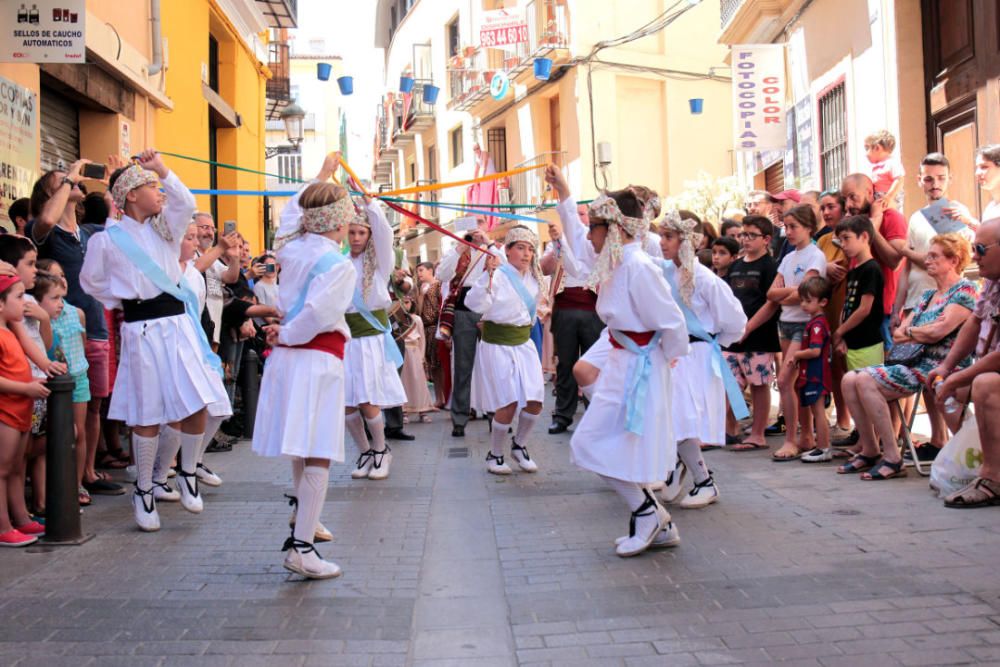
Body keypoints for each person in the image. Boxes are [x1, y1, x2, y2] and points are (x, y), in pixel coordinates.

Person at [545, 165, 689, 558]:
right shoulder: (614, 261)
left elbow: (672, 322)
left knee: (591, 443)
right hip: (626, 363)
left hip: (637, 367)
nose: (588, 234)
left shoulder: (638, 266)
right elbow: (577, 243)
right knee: (607, 445)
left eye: (594, 227)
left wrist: (668, 361)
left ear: (614, 228)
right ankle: (656, 519)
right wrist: (563, 193)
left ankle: (647, 514)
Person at [80, 150, 228, 531]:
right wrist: (124, 299)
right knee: (146, 413)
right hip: (141, 327)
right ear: (130, 195)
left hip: (176, 324)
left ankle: (187, 472)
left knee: (196, 400)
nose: (159, 191)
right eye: (151, 186)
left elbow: (187, 202)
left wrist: (159, 167)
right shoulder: (107, 239)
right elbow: (92, 282)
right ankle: (144, 489)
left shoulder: (166, 227)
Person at [252, 153, 355, 578]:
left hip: (290, 358)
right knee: (319, 451)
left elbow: (292, 212)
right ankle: (302, 547)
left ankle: (303, 523)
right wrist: (288, 332)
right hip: (314, 358)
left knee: (302, 445)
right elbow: (317, 314)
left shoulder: (289, 249)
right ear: (337, 221)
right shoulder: (338, 264)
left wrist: (320, 176)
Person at [27, 160, 125, 499]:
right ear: (49, 193)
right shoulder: (44, 230)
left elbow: (120, 229)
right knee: (65, 412)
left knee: (94, 405)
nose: (74, 181)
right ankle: (64, 484)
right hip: (61, 333)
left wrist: (115, 181)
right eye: (62, 181)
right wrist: (69, 177)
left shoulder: (86, 233)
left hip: (95, 326)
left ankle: (86, 473)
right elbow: (47, 219)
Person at [842, 234, 976, 479]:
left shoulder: (965, 290)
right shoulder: (926, 296)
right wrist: (923, 331)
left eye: (935, 256)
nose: (928, 260)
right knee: (849, 379)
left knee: (864, 380)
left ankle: (892, 458)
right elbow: (899, 332)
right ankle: (871, 449)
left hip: (946, 366)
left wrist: (917, 331)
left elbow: (938, 332)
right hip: (916, 364)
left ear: (954, 260)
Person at [657, 212, 746, 509]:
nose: (662, 242)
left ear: (686, 241)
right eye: (662, 236)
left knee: (682, 417)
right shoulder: (665, 272)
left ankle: (704, 482)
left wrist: (713, 344)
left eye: (669, 237)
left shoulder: (705, 278)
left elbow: (734, 319)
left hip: (696, 356)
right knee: (673, 416)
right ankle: (675, 472)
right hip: (676, 354)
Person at [342, 179, 407, 481]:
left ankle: (382, 450)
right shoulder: (340, 264)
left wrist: (370, 204)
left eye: (361, 232)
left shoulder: (380, 263)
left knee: (368, 399)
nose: (356, 237)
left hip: (369, 338)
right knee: (346, 403)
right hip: (345, 339)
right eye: (352, 232)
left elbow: (383, 233)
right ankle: (365, 450)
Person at [466, 226, 545, 474]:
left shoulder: (534, 278)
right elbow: (474, 303)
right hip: (498, 345)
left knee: (535, 401)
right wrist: (487, 277)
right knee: (508, 403)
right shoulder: (497, 275)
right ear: (508, 250)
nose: (526, 254)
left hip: (524, 344)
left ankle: (519, 445)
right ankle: (495, 454)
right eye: (520, 248)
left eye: (530, 249)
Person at [767, 205, 827, 461]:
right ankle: (805, 436)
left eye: (794, 227)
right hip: (787, 322)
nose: (788, 232)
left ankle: (791, 438)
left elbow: (803, 294)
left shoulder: (815, 256)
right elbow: (772, 294)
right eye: (786, 227)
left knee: (783, 381)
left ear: (809, 228)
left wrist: (788, 293)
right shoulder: (788, 258)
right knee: (796, 383)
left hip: (804, 325)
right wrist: (788, 292)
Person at [540, 207, 603, 434]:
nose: (578, 218)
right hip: (565, 309)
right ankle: (563, 416)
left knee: (593, 365)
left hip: (592, 309)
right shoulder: (558, 240)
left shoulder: (595, 242)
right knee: (565, 364)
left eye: (583, 214)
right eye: (574, 213)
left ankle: (595, 415)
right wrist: (557, 242)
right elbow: (545, 268)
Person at [0, 273, 49, 546]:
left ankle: (20, 518)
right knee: (2, 469)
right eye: (18, 297)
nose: (24, 303)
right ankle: (3, 526)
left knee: (17, 468)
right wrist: (26, 388)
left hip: (20, 409)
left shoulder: (11, 329)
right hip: (6, 411)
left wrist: (32, 382)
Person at [724, 216, 780, 451]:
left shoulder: (769, 266)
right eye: (742, 235)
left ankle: (758, 432)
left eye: (751, 235)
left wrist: (749, 327)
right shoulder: (736, 265)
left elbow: (771, 303)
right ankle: (730, 428)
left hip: (759, 335)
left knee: (758, 384)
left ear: (766, 239)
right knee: (730, 382)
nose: (745, 240)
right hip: (733, 336)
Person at [437, 227, 498, 437]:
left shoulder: (492, 250)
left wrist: (488, 243)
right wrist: (460, 247)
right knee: (462, 366)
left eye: (480, 225)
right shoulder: (457, 251)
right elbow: (441, 274)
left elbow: (505, 269)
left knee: (492, 366)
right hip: (463, 309)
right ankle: (459, 419)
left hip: (488, 310)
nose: (476, 231)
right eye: (473, 227)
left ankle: (496, 418)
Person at [841, 174, 908, 348]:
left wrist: (870, 228)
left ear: (869, 192)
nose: (848, 205)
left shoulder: (891, 217)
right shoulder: (852, 222)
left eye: (853, 197)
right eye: (844, 199)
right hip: (856, 313)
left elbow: (895, 262)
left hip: (884, 313)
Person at [815, 191, 852, 444]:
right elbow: (821, 275)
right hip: (827, 311)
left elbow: (840, 271)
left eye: (831, 207)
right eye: (823, 208)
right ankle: (842, 420)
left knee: (851, 366)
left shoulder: (848, 238)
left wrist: (827, 269)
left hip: (847, 309)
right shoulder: (823, 241)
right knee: (835, 369)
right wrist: (824, 268)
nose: (827, 213)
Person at [787, 277, 833, 462]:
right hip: (812, 374)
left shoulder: (817, 325)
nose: (804, 305)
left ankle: (823, 448)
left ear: (822, 302)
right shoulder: (814, 322)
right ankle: (821, 447)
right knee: (816, 411)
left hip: (817, 375)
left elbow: (815, 351)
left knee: (818, 411)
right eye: (802, 300)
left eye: (808, 300)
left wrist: (797, 355)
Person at [834, 215, 885, 373]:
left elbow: (864, 309)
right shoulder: (853, 271)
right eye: (840, 240)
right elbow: (847, 305)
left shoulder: (871, 269)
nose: (843, 245)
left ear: (864, 236)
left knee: (867, 390)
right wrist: (842, 334)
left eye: (846, 238)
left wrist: (839, 332)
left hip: (867, 344)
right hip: (852, 343)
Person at [193, 212, 240, 349]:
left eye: (212, 229)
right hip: (198, 329)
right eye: (205, 227)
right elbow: (196, 269)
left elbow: (231, 277)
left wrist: (235, 257)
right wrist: (220, 248)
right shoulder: (188, 254)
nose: (210, 233)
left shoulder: (212, 258)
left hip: (213, 331)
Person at [414, 262, 446, 408]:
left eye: (421, 270)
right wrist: (421, 295)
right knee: (433, 366)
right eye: (417, 271)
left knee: (439, 365)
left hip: (436, 328)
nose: (419, 274)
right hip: (425, 329)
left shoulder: (438, 285)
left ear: (430, 270)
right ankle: (440, 397)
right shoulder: (420, 288)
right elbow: (419, 310)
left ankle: (443, 397)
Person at [865, 130, 905, 209]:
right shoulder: (877, 167)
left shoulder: (892, 163)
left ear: (877, 148)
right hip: (879, 196)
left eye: (867, 148)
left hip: (890, 198)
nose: (865, 154)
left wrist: (889, 196)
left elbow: (899, 180)